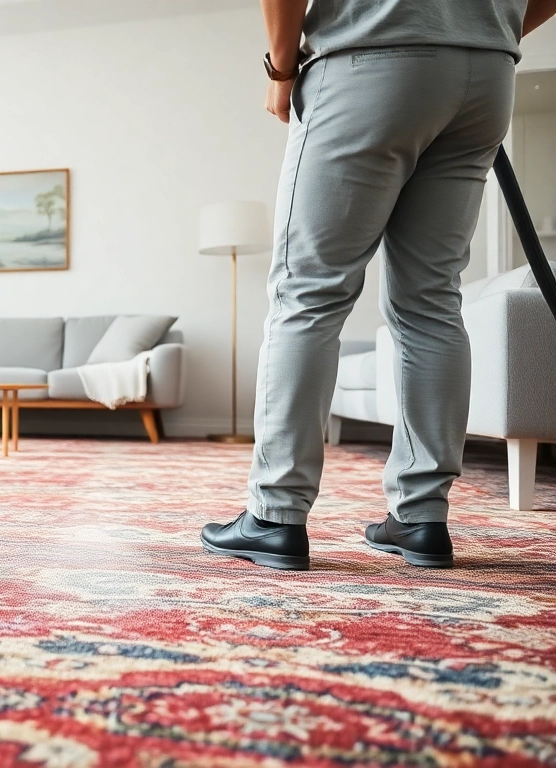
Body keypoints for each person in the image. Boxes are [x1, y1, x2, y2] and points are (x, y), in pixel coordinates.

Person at [202, 0, 556, 570]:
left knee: (308, 294)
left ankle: (275, 514)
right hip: (487, 76)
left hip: (369, 58)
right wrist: (484, 31)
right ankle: (421, 517)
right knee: (433, 299)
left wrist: (282, 69)